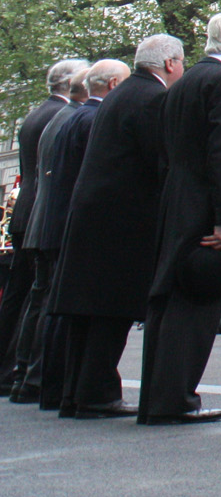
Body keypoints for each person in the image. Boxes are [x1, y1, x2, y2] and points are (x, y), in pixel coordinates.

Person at [48, 39, 185, 418]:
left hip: (94, 214)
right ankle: (97, 394)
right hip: (122, 220)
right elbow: (161, 160)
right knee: (112, 311)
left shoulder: (120, 94)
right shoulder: (152, 99)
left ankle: (76, 394)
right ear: (171, 63)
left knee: (87, 313)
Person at [140, 11, 221, 425]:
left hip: (178, 200)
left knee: (170, 299)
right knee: (195, 303)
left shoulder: (183, 83)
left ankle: (159, 396)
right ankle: (176, 398)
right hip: (207, 208)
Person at [25, 61, 123, 408]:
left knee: (48, 305)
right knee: (58, 308)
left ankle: (39, 381)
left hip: (50, 220)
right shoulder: (88, 119)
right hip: (69, 223)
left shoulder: (64, 117)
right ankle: (46, 382)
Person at [5, 62, 87, 402]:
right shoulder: (64, 115)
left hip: (31, 212)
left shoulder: (41, 114)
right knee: (37, 296)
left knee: (25, 296)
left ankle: (18, 370)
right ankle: (27, 373)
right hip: (45, 214)